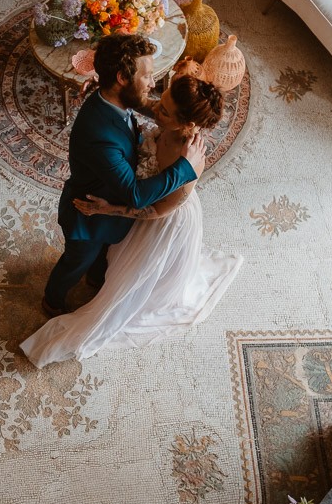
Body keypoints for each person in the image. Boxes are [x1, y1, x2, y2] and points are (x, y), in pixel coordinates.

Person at [22, 73, 242, 367]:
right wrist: (107, 89)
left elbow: (154, 211)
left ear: (188, 124)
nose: (155, 109)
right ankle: (89, 279)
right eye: (161, 102)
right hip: (138, 203)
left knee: (133, 275)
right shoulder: (167, 118)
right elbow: (145, 106)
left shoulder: (189, 165)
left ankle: (98, 282)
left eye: (164, 110)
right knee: (104, 253)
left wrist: (107, 208)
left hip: (165, 223)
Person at [41, 34, 206, 318]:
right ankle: (52, 301)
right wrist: (185, 168)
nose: (153, 84)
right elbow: (135, 195)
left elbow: (147, 106)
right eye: (148, 77)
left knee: (102, 257)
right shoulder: (100, 136)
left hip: (110, 211)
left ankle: (96, 279)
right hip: (88, 217)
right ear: (121, 78)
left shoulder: (115, 100)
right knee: (75, 263)